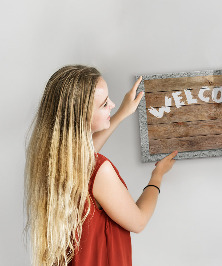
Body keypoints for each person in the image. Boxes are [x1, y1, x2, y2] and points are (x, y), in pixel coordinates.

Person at [24, 65, 177, 266]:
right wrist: (157, 176)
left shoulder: (53, 160)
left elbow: (86, 157)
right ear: (81, 117)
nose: (112, 104)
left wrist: (122, 113)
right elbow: (138, 221)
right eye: (105, 104)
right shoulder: (99, 170)